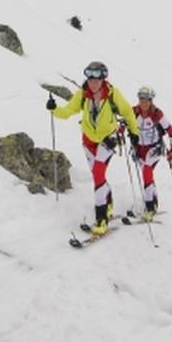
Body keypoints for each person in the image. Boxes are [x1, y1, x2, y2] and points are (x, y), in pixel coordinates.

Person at [47, 61, 139, 235]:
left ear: (103, 79)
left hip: (108, 140)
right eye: (89, 78)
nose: (93, 82)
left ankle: (101, 218)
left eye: (96, 78)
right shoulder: (83, 94)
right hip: (89, 141)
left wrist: (134, 132)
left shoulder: (113, 94)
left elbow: (127, 112)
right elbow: (68, 112)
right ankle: (108, 202)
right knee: (98, 176)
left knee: (98, 174)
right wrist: (54, 109)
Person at [130, 85, 172, 222]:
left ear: (151, 101)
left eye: (146, 100)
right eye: (141, 99)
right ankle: (153, 200)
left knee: (147, 172)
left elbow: (170, 131)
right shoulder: (134, 112)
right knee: (147, 175)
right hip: (139, 149)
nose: (143, 103)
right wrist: (120, 131)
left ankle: (150, 207)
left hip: (154, 149)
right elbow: (124, 122)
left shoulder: (157, 114)